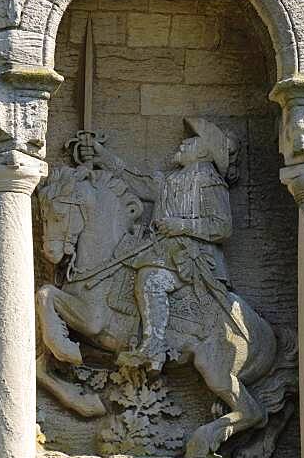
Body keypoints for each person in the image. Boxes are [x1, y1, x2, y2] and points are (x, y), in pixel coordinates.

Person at [93, 117, 239, 372]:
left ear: (203, 152)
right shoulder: (170, 180)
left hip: (194, 259)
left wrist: (181, 225)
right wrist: (101, 155)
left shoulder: (209, 181)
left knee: (152, 280)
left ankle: (153, 347)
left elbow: (222, 226)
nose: (183, 143)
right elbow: (135, 180)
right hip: (162, 251)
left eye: (191, 141)